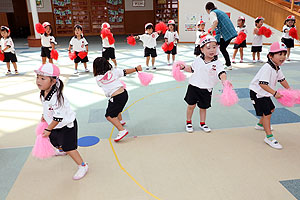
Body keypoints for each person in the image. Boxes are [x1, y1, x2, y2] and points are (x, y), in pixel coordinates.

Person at [35, 63, 88, 180]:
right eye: (38, 77)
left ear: (53, 81)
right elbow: (48, 108)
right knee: (55, 141)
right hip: (55, 125)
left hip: (66, 126)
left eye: (43, 78)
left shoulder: (56, 98)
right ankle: (61, 150)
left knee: (70, 148)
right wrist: (45, 115)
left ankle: (82, 165)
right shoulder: (44, 91)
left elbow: (58, 118)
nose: (38, 81)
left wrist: (48, 129)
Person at [181, 35, 228, 133]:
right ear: (202, 49)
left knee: (203, 107)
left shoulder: (218, 63)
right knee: (191, 106)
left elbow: (222, 73)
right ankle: (188, 122)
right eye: (208, 47)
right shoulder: (198, 60)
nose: (212, 50)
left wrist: (224, 81)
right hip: (193, 87)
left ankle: (202, 123)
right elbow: (191, 69)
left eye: (214, 47)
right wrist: (183, 67)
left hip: (206, 89)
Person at [249, 42, 291, 149]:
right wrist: (275, 93)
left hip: (265, 92)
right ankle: (269, 137)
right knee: (266, 113)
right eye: (279, 54)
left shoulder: (277, 67)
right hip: (257, 93)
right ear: (270, 56)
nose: (283, 57)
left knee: (271, 109)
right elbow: (262, 84)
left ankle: (259, 125)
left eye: (284, 54)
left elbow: (282, 80)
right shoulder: (267, 67)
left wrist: (290, 90)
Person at [93, 57, 142, 142]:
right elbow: (125, 71)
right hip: (124, 94)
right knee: (116, 107)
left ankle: (122, 130)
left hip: (116, 97)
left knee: (109, 116)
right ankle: (120, 120)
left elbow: (104, 85)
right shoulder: (114, 71)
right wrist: (136, 69)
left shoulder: (98, 79)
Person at [205, 2, 237, 70]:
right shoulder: (219, 11)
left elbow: (215, 22)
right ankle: (227, 64)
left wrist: (211, 31)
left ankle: (219, 64)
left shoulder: (212, 13)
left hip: (224, 34)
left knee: (217, 48)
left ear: (207, 10)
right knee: (220, 48)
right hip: (230, 32)